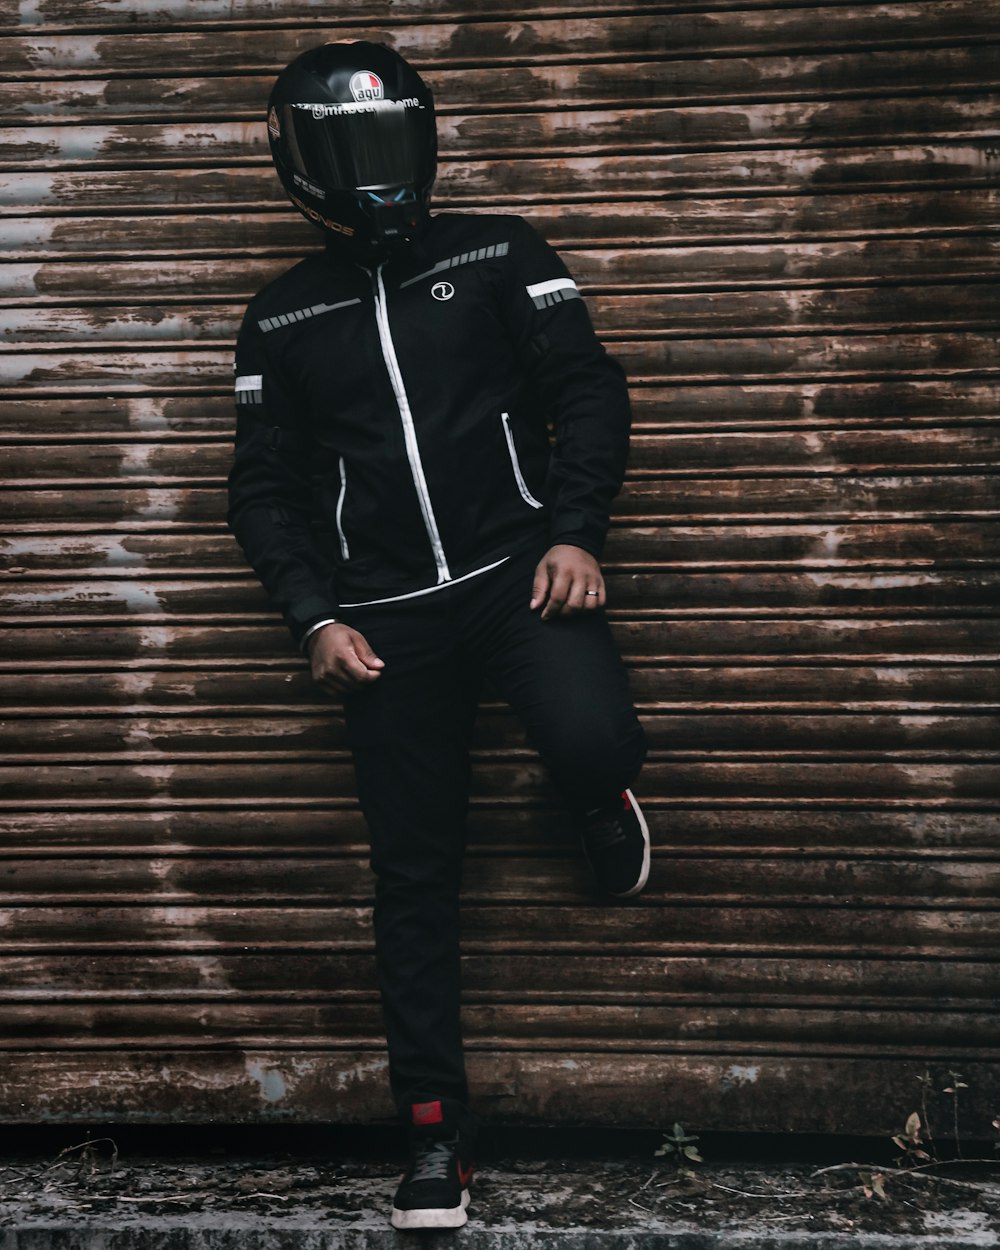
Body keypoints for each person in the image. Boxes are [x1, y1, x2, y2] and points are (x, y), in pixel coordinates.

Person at [227, 41, 650, 1232]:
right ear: (301, 164)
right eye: (347, 149)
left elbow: (586, 387)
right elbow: (263, 488)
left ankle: (594, 792)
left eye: (392, 139)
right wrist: (314, 613)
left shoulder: (502, 248)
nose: (378, 171)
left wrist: (576, 529)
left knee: (594, 737)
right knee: (413, 880)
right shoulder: (281, 314)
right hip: (386, 626)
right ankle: (432, 1135)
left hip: (521, 578)